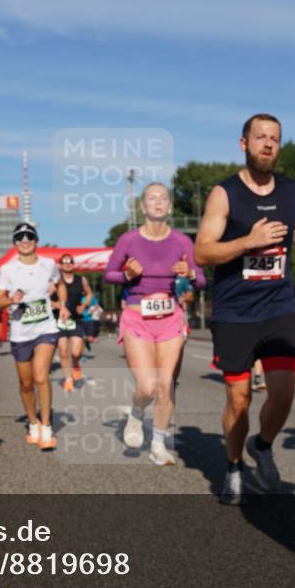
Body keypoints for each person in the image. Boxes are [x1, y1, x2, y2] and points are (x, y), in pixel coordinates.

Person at [194, 113, 295, 500]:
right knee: (239, 399)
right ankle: (234, 463)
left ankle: (263, 444)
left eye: (274, 138)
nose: (268, 144)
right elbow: (203, 251)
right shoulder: (224, 193)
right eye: (260, 137)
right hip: (234, 312)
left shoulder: (294, 192)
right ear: (244, 144)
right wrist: (248, 241)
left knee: (284, 391)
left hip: (277, 306)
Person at [105, 183, 204, 466]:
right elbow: (109, 273)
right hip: (137, 315)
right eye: (152, 198)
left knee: (165, 385)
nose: (158, 202)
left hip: (171, 317)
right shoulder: (128, 240)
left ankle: (158, 443)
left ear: (170, 207)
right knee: (147, 387)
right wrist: (126, 274)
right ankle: (136, 414)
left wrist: (190, 272)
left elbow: (201, 280)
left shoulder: (183, 241)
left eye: (163, 198)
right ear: (143, 207)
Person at [0, 221, 59, 451]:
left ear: (36, 240)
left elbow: (58, 285)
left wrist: (61, 303)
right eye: (20, 238)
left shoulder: (49, 265)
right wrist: (12, 300)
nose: (25, 241)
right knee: (26, 383)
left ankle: (47, 426)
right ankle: (33, 422)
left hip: (46, 327)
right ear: (15, 244)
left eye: (29, 236)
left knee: (41, 376)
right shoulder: (8, 270)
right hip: (21, 331)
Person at [56, 254, 93, 392]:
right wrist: (57, 306)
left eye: (70, 261)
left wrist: (84, 305)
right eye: (64, 262)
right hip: (59, 320)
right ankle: (68, 379)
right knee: (64, 351)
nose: (67, 264)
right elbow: (47, 297)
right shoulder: (57, 281)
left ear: (73, 264)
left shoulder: (80, 279)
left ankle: (76, 363)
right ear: (60, 265)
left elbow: (89, 293)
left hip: (76, 319)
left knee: (76, 352)